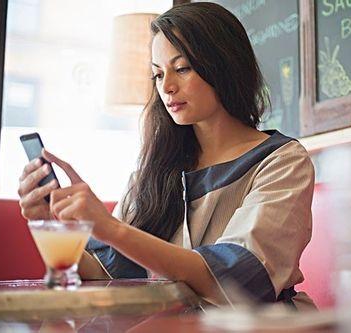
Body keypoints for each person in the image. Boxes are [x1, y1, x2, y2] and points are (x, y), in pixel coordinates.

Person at [18, 2, 315, 309]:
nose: (167, 87)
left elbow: (238, 282)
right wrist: (45, 225)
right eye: (157, 75)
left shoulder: (282, 161)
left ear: (224, 64)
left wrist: (109, 228)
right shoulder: (156, 169)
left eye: (182, 68)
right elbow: (103, 276)